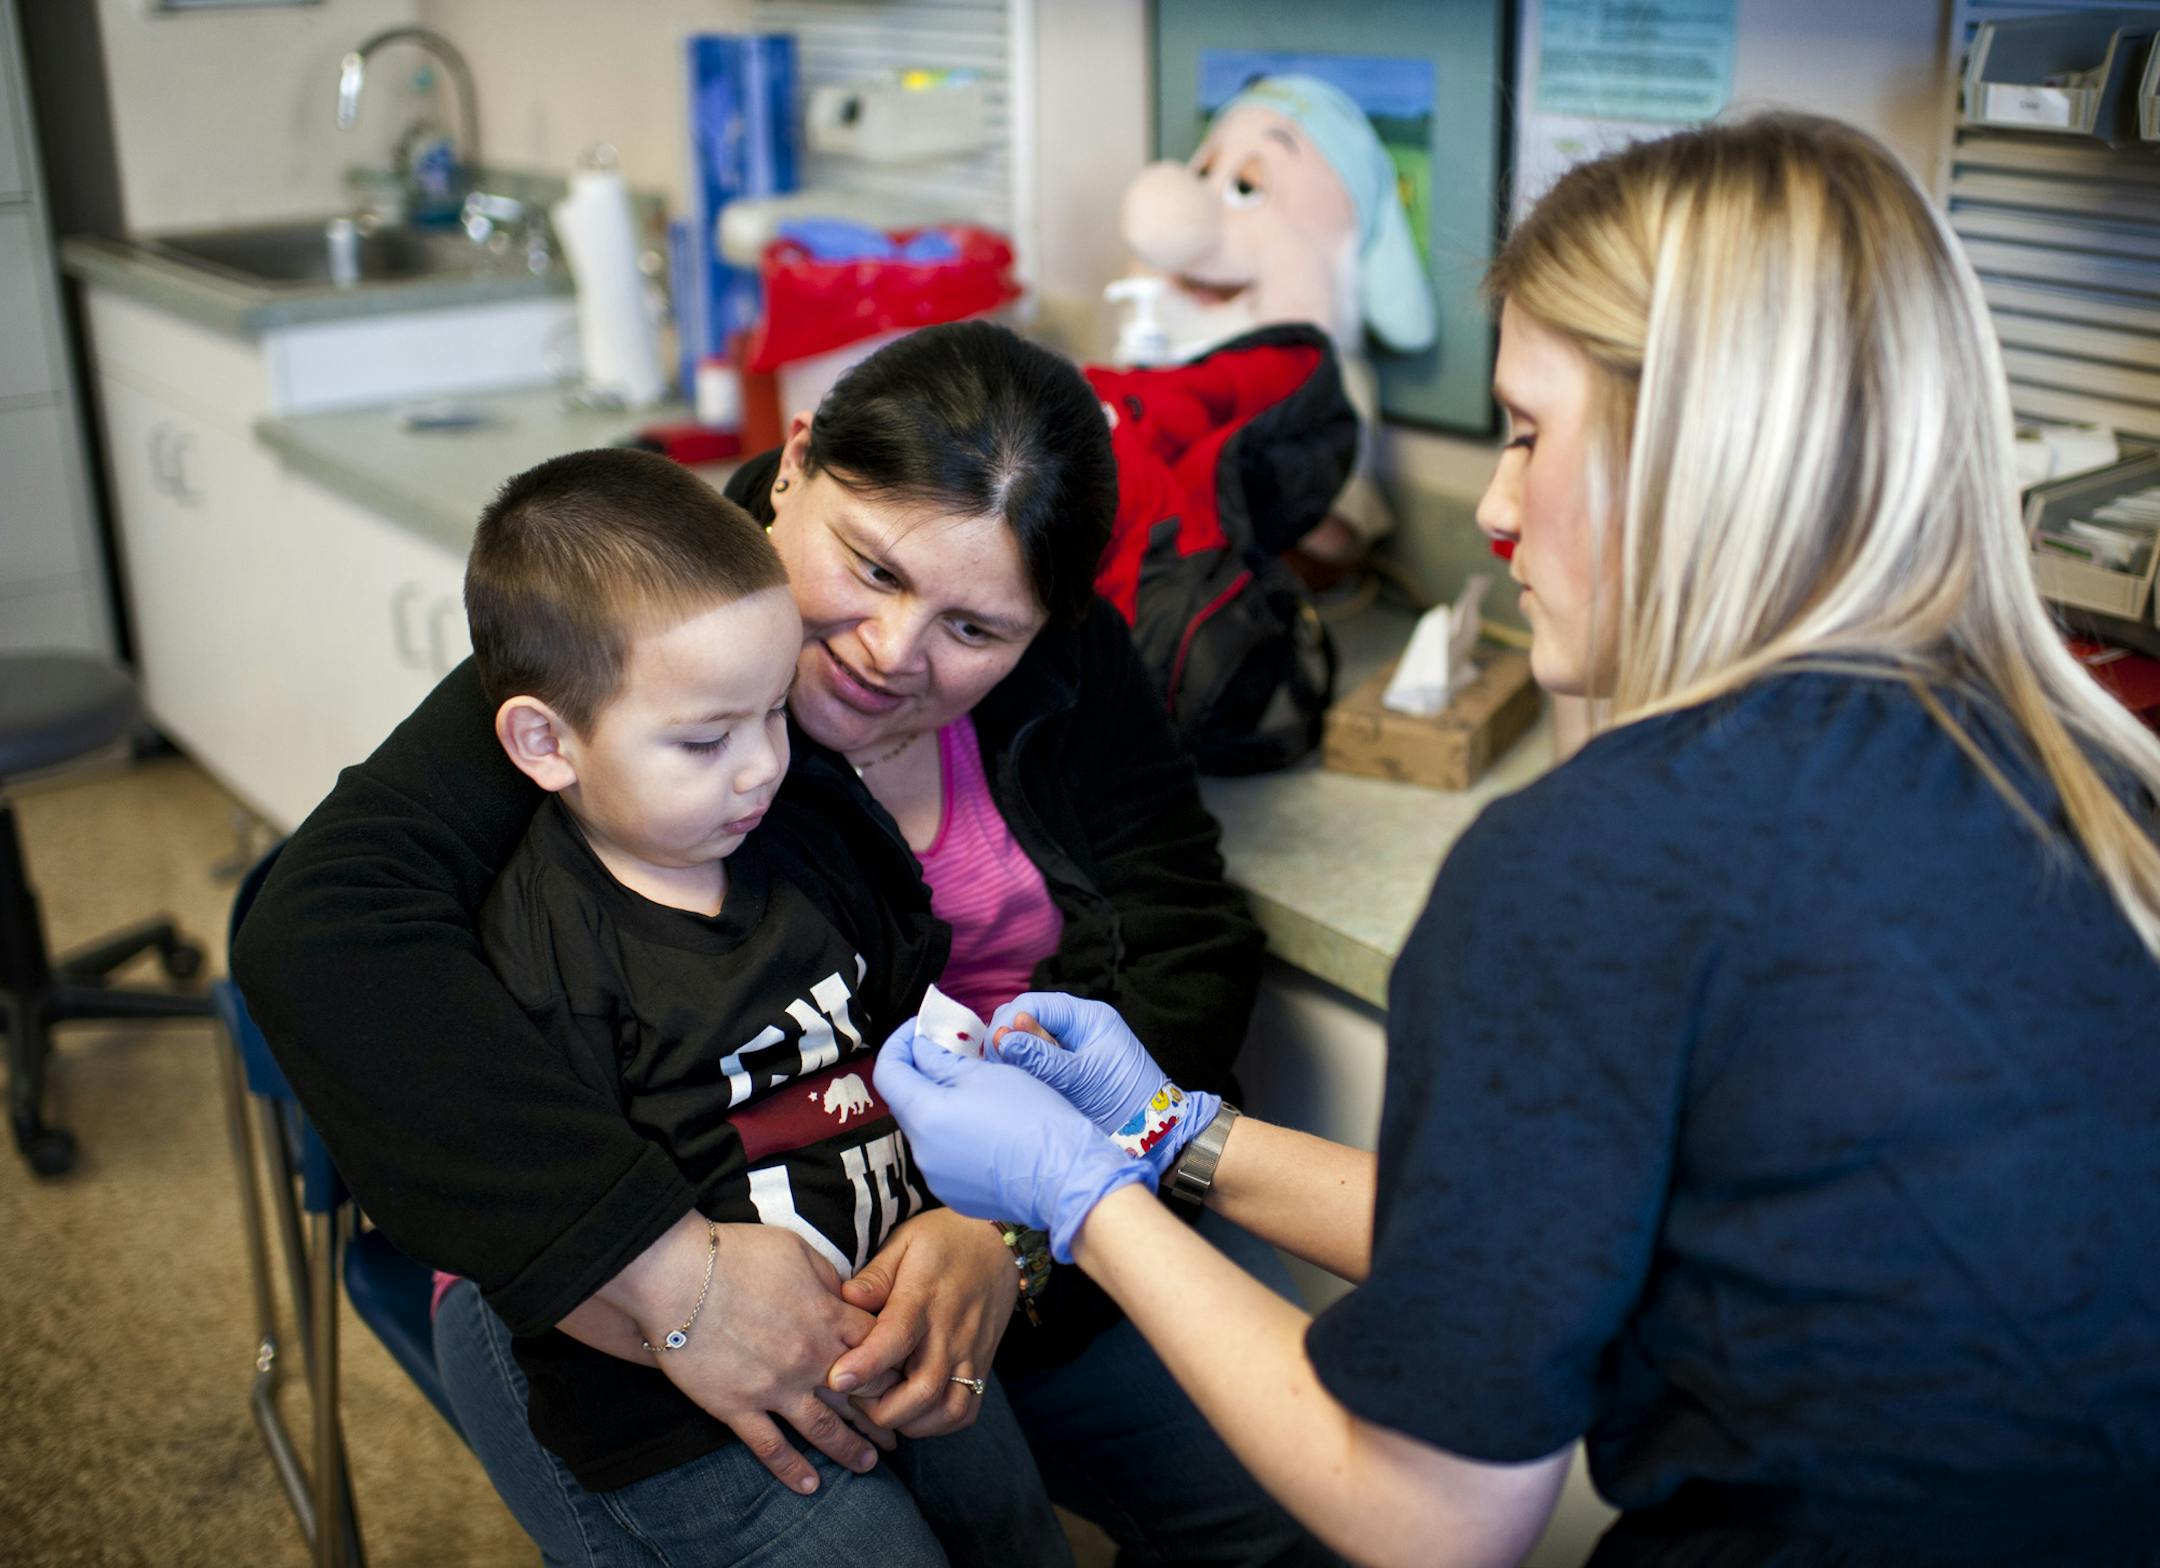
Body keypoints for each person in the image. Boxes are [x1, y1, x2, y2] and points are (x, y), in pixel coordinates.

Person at [873, 114, 2160, 1568]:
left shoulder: (1593, 874)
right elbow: (1564, 1229)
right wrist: (1171, 1135)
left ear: (1700, 456)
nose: (1492, 505)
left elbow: (1429, 1518)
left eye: (1532, 434)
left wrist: (1078, 1198)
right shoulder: (2080, 782)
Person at [232, 321, 1337, 1566]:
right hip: (639, 1229)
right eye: (868, 569)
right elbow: (322, 923)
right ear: (796, 460)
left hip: (987, 1205)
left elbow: (1183, 928)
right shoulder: (652, 612)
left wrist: (1020, 1226)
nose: (890, 650)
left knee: (1304, 1499)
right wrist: (669, 1271)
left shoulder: (1054, 638)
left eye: (976, 631)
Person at [449, 446, 1068, 1564]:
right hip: (689, 1413)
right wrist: (708, 1346)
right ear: (547, 741)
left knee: (1016, 1533)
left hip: (894, 1331)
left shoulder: (809, 844)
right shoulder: (546, 948)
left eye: (773, 714)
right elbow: (549, 1247)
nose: (758, 771)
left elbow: (911, 1032)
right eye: (703, 741)